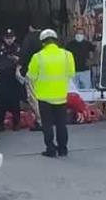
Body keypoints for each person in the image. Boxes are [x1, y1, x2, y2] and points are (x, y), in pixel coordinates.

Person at [27, 29, 75, 157]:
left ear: (43, 43)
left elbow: (31, 76)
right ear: (56, 40)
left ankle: (50, 148)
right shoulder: (67, 55)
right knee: (61, 124)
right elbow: (71, 74)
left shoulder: (38, 57)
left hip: (44, 97)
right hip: (61, 96)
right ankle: (63, 149)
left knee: (47, 124)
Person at [19, 20, 44, 131]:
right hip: (47, 72)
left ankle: (40, 121)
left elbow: (24, 54)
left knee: (34, 97)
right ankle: (48, 119)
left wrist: (20, 66)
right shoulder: (46, 38)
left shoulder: (29, 38)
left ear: (30, 27)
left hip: (33, 72)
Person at [0, 29, 22, 131]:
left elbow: (20, 60)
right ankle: (0, 124)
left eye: (11, 38)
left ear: (14, 38)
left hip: (13, 79)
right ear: (4, 38)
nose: (9, 40)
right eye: (7, 38)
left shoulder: (17, 48)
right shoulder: (0, 48)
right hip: (3, 79)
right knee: (1, 103)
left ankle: (17, 123)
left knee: (15, 103)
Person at [66, 27, 96, 93]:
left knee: (87, 90)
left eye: (81, 33)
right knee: (74, 91)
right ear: (75, 34)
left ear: (84, 35)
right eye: (78, 33)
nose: (79, 35)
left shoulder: (87, 44)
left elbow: (96, 50)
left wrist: (93, 61)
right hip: (73, 71)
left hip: (85, 71)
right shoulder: (70, 45)